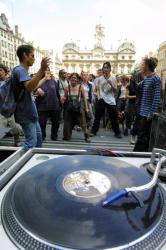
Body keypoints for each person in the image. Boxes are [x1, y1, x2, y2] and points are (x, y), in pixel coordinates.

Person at [12, 44, 50, 152]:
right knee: (31, 142)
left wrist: (45, 79)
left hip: (30, 112)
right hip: (25, 112)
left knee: (38, 139)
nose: (34, 58)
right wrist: (41, 69)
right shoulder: (19, 70)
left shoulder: (23, 71)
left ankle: (33, 162)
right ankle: (19, 164)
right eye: (32, 56)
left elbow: (32, 87)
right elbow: (29, 87)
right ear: (25, 55)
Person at [133, 57, 161, 152]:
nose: (141, 66)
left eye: (142, 65)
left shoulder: (156, 78)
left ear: (147, 66)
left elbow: (156, 98)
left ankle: (136, 155)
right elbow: (137, 86)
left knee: (142, 137)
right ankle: (141, 154)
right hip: (142, 112)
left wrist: (151, 113)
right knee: (142, 136)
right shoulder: (146, 79)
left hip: (147, 114)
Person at [90, 62, 122, 138]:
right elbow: (96, 89)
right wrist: (98, 96)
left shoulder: (113, 78)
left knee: (113, 117)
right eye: (104, 67)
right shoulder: (99, 79)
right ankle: (94, 131)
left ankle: (117, 132)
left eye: (107, 67)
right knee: (97, 117)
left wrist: (111, 84)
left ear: (110, 69)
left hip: (111, 100)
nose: (105, 69)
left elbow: (116, 91)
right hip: (102, 99)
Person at [62, 73, 90, 142]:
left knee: (83, 123)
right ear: (70, 79)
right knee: (66, 137)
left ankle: (86, 136)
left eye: (75, 78)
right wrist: (63, 98)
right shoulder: (67, 88)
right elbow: (65, 97)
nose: (73, 79)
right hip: (69, 109)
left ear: (77, 79)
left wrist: (86, 108)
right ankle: (68, 134)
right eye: (72, 78)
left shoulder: (81, 87)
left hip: (79, 109)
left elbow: (85, 98)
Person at [35, 68, 61, 141]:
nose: (47, 71)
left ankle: (54, 136)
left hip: (54, 104)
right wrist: (37, 90)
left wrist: (59, 103)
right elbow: (33, 89)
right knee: (42, 123)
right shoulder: (38, 81)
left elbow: (57, 93)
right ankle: (42, 137)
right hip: (42, 105)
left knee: (56, 122)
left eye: (48, 70)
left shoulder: (53, 81)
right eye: (45, 69)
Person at [0, 64, 22, 146]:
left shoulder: (10, 81)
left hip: (11, 109)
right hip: (1, 110)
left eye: (1, 70)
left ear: (5, 71)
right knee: (1, 128)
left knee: (15, 127)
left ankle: (17, 140)